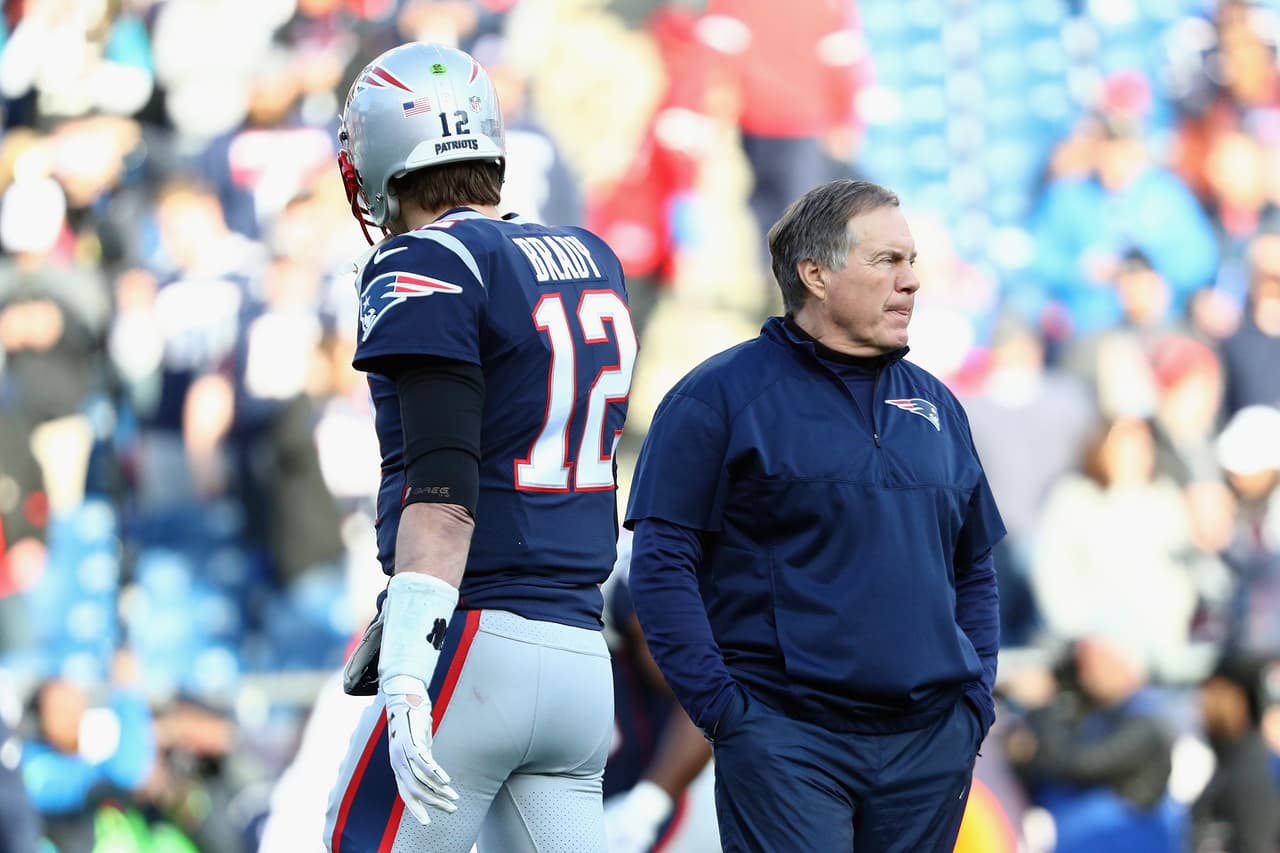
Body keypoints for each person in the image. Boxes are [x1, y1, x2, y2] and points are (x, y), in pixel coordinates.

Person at [624, 178, 1004, 852]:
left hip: (928, 749)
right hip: (788, 743)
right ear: (816, 274)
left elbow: (975, 568)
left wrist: (972, 705)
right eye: (887, 260)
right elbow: (660, 567)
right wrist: (726, 712)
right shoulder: (716, 398)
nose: (911, 281)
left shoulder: (940, 408)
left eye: (911, 261)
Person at [323, 42, 637, 853]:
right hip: (578, 654)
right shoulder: (588, 256)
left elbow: (442, 486)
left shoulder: (426, 261)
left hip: (475, 640)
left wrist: (404, 666)